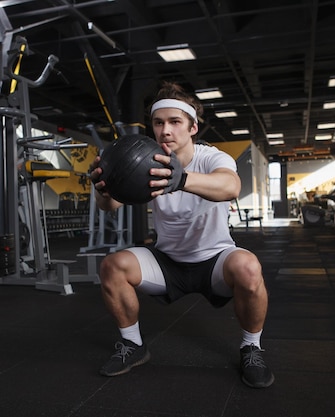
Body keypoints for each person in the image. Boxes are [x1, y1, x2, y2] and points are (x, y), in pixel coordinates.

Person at [88, 81, 274, 389]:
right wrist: (103, 189)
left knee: (249, 267)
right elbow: (111, 205)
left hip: (214, 259)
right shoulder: (147, 161)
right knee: (112, 266)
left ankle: (251, 348)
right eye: (159, 123)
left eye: (175, 122)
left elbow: (230, 187)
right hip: (168, 261)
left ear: (192, 128)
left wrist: (182, 179)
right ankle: (133, 345)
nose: (166, 130)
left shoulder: (211, 158)